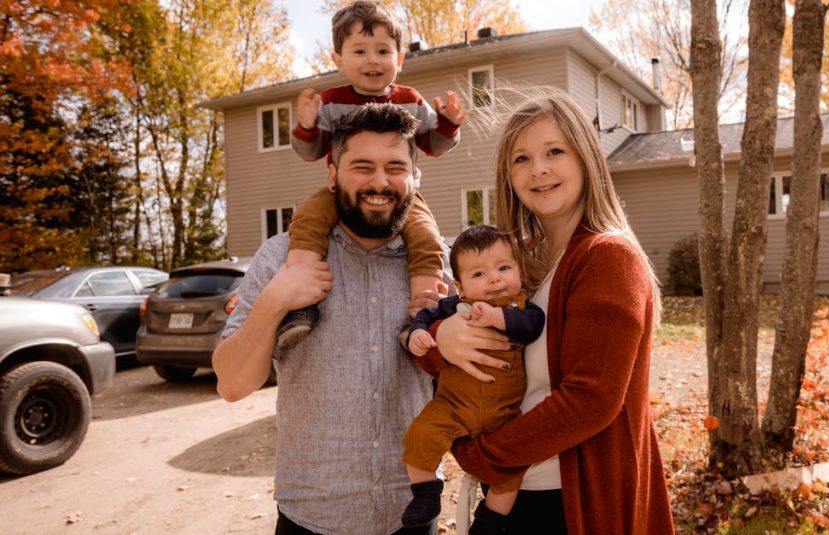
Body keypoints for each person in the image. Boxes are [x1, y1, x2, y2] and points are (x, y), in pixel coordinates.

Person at [212, 104, 491, 535]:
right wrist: (275, 300)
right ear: (332, 175)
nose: (380, 182)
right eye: (362, 167)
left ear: (414, 178)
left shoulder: (441, 273)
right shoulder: (281, 258)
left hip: (413, 516)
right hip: (312, 516)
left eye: (395, 168)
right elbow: (232, 385)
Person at [415, 92, 675, 534]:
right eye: (521, 159)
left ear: (586, 157)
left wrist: (481, 454)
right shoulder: (519, 265)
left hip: (569, 503)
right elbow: (451, 343)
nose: (538, 169)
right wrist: (439, 338)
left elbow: (589, 401)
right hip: (517, 492)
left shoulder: (607, 258)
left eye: (555, 151)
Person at [278, 0, 467, 348]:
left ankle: (422, 315)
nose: (372, 60)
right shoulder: (332, 102)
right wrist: (306, 126)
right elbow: (311, 151)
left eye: (383, 50)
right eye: (360, 51)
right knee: (307, 219)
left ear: (400, 58)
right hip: (342, 193)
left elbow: (433, 145)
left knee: (426, 237)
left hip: (403, 198)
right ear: (338, 60)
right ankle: (299, 305)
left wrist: (450, 124)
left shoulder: (410, 99)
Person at [398, 225, 545, 531]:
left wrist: (497, 317)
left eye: (504, 268)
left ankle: (490, 519)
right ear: (460, 287)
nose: (494, 278)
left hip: (503, 414)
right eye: (478, 274)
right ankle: (425, 493)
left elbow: (532, 325)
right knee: (420, 434)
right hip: (453, 404)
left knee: (511, 470)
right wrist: (419, 333)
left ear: (518, 270)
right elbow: (426, 314)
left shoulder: (522, 307)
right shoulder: (455, 306)